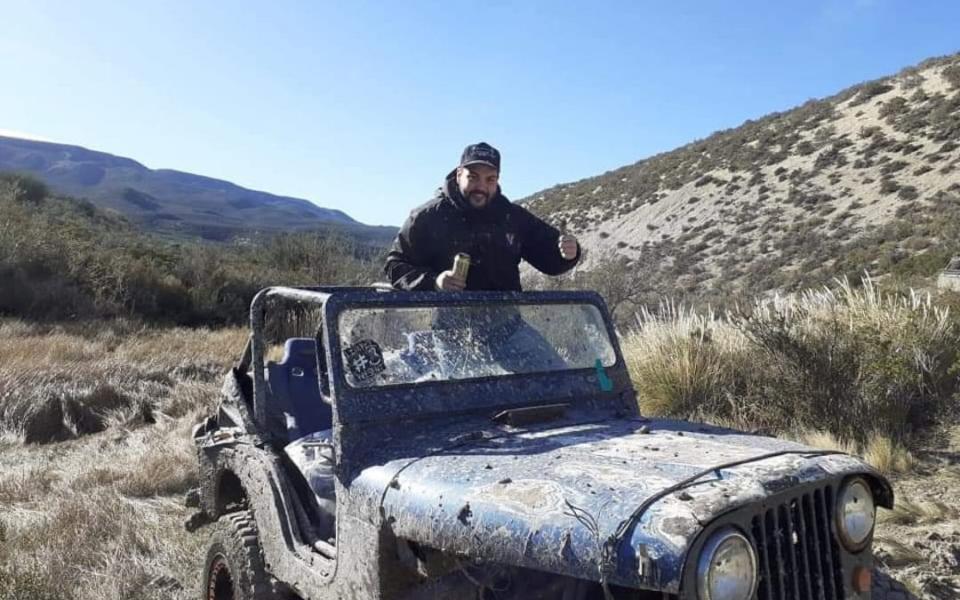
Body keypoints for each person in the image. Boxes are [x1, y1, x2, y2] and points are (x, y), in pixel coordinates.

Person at [384, 142, 580, 292]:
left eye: (490, 179)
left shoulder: (513, 218)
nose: (481, 186)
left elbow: (551, 258)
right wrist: (434, 282)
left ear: (497, 180)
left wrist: (569, 253)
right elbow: (395, 265)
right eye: (473, 177)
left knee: (541, 348)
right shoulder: (427, 217)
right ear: (459, 174)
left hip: (509, 326)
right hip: (448, 328)